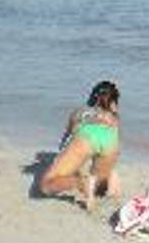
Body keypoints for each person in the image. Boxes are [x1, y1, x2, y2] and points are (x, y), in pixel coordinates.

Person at [40, 81, 121, 211]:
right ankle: (110, 179)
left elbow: (67, 138)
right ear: (114, 102)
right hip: (111, 141)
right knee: (97, 189)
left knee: (47, 184)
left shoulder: (79, 112)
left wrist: (63, 156)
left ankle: (80, 182)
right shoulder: (115, 118)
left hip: (86, 137)